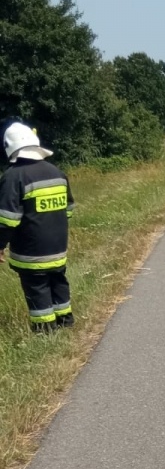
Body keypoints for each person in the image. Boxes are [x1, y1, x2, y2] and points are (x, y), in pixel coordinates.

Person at [0, 121, 75, 333]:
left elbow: (7, 219)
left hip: (31, 252)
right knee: (58, 281)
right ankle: (65, 323)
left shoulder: (13, 177)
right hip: (58, 247)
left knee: (37, 287)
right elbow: (68, 209)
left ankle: (45, 332)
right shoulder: (57, 172)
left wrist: (0, 244)